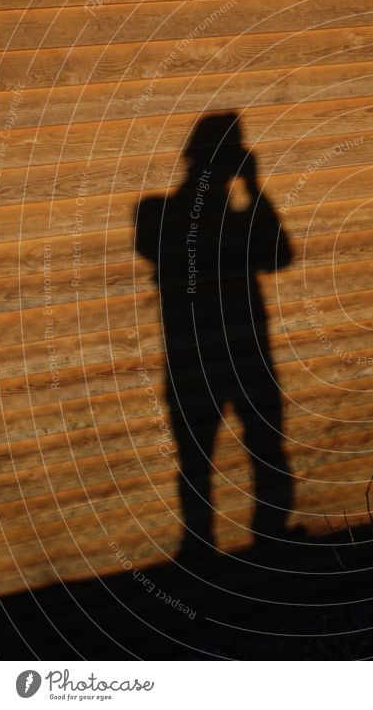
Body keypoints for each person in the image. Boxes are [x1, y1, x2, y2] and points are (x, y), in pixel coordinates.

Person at [135, 113, 293, 560]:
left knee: (256, 449)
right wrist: (250, 188)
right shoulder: (157, 211)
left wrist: (253, 189)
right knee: (204, 458)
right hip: (204, 355)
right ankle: (207, 545)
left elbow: (282, 255)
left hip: (230, 353)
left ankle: (259, 540)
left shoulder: (234, 215)